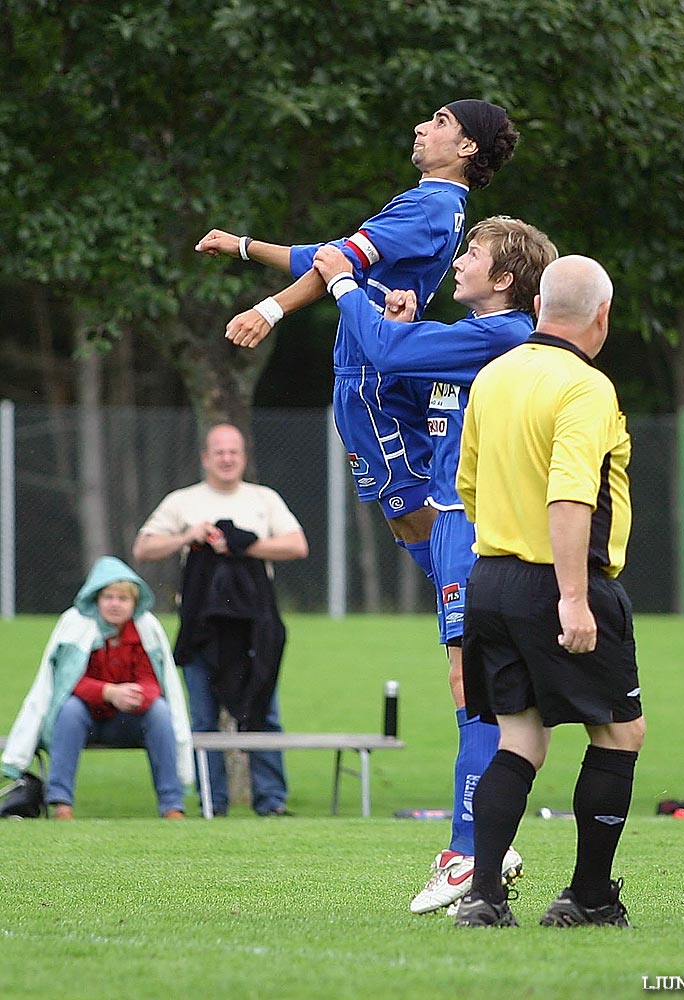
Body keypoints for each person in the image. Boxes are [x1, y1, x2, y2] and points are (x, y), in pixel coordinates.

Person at [312, 216, 558, 914]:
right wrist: (403, 323)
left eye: (472, 254)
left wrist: (342, 285)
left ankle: (469, 846)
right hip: (452, 523)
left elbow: (385, 350)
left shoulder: (502, 333)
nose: (459, 262)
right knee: (482, 682)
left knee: (476, 680)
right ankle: (484, 839)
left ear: (504, 278)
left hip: (476, 525)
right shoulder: (477, 341)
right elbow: (409, 380)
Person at [194, 100, 519, 580]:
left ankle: (480, 609)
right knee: (405, 515)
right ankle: (475, 617)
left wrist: (269, 309)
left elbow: (337, 264)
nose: (421, 125)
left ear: (467, 146)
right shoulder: (433, 203)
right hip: (366, 370)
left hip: (372, 377)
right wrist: (243, 246)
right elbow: (329, 257)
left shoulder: (429, 206)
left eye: (440, 122)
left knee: (415, 510)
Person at [452, 255, 645, 928]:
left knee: (520, 741)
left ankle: (484, 897)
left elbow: (468, 487)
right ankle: (589, 898)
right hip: (560, 581)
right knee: (621, 731)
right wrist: (571, 597)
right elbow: (571, 493)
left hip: (492, 578)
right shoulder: (585, 388)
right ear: (602, 315)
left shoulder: (494, 376)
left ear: (537, 308)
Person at [133, 424, 308, 816]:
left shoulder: (264, 499)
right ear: (205, 457)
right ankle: (213, 803)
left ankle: (271, 802)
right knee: (203, 717)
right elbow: (144, 547)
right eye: (219, 452)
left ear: (244, 457)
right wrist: (187, 537)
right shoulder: (183, 502)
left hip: (255, 628)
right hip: (202, 627)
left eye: (234, 452)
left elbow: (297, 545)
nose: (226, 459)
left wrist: (242, 544)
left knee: (265, 711)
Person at [1, 556, 193, 819]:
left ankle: (172, 806)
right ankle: (61, 803)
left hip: (130, 720)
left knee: (159, 711)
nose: (115, 604)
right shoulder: (75, 624)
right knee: (69, 709)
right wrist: (108, 693)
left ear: (134, 603)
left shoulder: (146, 628)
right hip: (85, 719)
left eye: (122, 599)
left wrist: (137, 696)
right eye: (108, 597)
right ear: (97, 599)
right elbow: (66, 682)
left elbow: (154, 679)